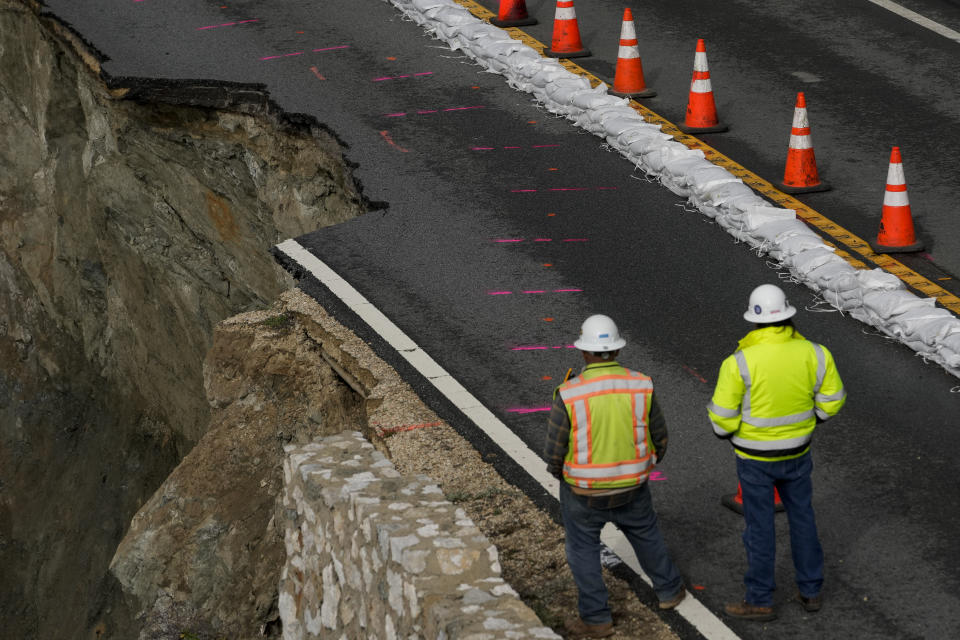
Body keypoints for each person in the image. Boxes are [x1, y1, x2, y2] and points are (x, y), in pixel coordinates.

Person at [707, 284, 846, 621]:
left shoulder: (738, 362)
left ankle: (760, 599)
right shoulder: (815, 353)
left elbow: (722, 422)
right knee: (803, 519)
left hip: (755, 461)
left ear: (753, 322)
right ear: (787, 316)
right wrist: (811, 421)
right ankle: (810, 590)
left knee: (760, 529)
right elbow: (832, 400)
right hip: (798, 453)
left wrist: (739, 433)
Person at [544, 314, 685, 639]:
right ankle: (669, 591)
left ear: (584, 353)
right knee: (646, 535)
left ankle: (596, 618)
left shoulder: (569, 393)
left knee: (582, 549)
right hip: (632, 486)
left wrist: (563, 475)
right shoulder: (641, 385)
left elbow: (554, 451)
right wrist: (643, 465)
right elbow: (659, 436)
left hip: (583, 492)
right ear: (617, 351)